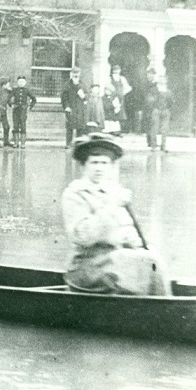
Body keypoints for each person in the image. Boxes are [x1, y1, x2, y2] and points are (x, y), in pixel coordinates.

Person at [61, 133, 170, 295]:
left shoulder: (112, 190)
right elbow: (83, 237)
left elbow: (126, 232)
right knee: (148, 262)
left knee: (153, 261)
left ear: (111, 166)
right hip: (87, 267)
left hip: (115, 260)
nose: (99, 168)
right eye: (94, 162)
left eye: (104, 163)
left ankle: (160, 305)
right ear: (84, 165)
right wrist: (111, 205)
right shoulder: (75, 194)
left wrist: (140, 246)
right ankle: (160, 308)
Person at [60, 67, 87, 148]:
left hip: (80, 109)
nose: (75, 75)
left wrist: (83, 96)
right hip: (71, 108)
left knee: (80, 128)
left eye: (77, 73)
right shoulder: (67, 84)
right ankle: (68, 143)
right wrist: (66, 106)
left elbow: (87, 95)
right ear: (71, 74)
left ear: (79, 74)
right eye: (74, 73)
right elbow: (64, 97)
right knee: (70, 127)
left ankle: (78, 144)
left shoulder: (82, 84)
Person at [144, 75, 172, 151]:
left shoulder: (168, 91)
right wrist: (154, 107)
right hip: (156, 110)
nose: (162, 81)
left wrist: (166, 109)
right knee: (154, 128)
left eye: (163, 80)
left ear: (166, 81)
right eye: (160, 80)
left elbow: (171, 101)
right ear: (158, 81)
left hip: (165, 111)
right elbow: (149, 100)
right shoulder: (153, 90)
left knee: (164, 129)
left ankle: (163, 146)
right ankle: (153, 146)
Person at [9, 75, 37, 148]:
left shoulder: (27, 90)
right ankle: (16, 142)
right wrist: (11, 105)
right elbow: (8, 98)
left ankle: (23, 143)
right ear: (17, 82)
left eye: (22, 82)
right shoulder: (14, 90)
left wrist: (30, 107)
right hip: (16, 110)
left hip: (23, 111)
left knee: (23, 126)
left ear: (25, 83)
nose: (21, 83)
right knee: (15, 126)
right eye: (19, 81)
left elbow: (34, 99)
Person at [103, 64, 131, 134]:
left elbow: (128, 88)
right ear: (112, 71)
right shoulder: (109, 78)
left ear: (120, 71)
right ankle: (110, 130)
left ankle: (118, 131)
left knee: (120, 114)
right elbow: (107, 86)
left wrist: (122, 93)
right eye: (114, 70)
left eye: (117, 70)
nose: (116, 71)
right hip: (112, 97)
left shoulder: (122, 78)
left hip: (120, 98)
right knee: (112, 113)